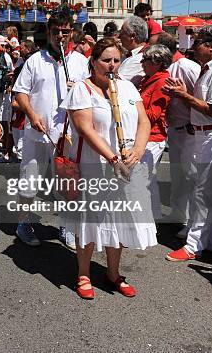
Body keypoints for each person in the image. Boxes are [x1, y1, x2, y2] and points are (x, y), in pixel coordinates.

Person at [61, 37, 156, 299]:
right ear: (93, 62)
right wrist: (113, 159)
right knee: (90, 219)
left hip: (128, 164)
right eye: (106, 60)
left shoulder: (127, 88)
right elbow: (85, 128)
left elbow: (143, 122)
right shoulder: (82, 89)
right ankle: (83, 273)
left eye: (116, 60)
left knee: (120, 219)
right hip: (95, 165)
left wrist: (137, 151)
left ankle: (113, 272)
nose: (112, 65)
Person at [13, 12, 89, 248]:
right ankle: (23, 223)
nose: (60, 36)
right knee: (29, 182)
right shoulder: (35, 60)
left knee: (67, 185)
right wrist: (32, 115)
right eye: (55, 31)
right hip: (37, 132)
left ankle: (66, 225)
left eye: (65, 31)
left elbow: (92, 94)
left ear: (72, 33)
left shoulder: (80, 61)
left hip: (68, 136)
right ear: (49, 33)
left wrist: (78, 88)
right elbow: (20, 93)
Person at [164, 26, 212, 261]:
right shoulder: (211, 69)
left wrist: (183, 95)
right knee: (207, 191)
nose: (192, 48)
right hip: (206, 134)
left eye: (197, 43)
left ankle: (194, 245)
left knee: (202, 191)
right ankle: (210, 240)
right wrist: (186, 94)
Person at [156, 33, 200, 229]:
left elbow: (200, 97)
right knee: (178, 175)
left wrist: (193, 118)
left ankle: (191, 222)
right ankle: (178, 213)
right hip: (175, 129)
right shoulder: (170, 67)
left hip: (189, 129)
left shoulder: (187, 67)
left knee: (190, 176)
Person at [138, 44, 172, 219]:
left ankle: (146, 220)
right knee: (147, 181)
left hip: (153, 137)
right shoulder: (149, 79)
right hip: (149, 136)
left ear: (158, 62)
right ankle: (154, 216)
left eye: (146, 60)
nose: (142, 63)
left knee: (142, 181)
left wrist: (130, 108)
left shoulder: (161, 82)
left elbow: (152, 115)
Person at [118, 15, 149, 87]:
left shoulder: (141, 58)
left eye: (122, 33)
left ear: (132, 36)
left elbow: (117, 82)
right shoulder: (130, 54)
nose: (119, 36)